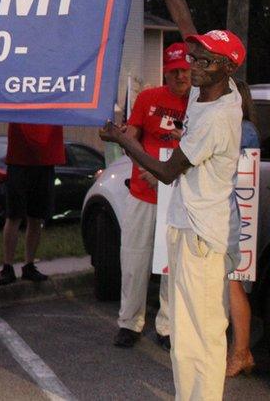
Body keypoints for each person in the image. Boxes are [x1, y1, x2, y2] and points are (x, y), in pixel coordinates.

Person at [99, 28, 245, 400]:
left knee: (203, 332)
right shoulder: (207, 89)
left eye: (202, 61)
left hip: (201, 237)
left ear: (226, 68)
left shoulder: (216, 116)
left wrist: (124, 140)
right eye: (193, 58)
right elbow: (183, 21)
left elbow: (167, 172)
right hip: (188, 226)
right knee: (185, 332)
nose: (192, 67)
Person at [113, 43, 190, 350]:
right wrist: (147, 166)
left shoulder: (198, 103)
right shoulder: (148, 98)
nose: (180, 76)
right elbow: (130, 136)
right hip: (144, 192)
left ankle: (167, 326)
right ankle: (129, 322)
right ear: (165, 72)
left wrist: (165, 174)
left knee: (172, 265)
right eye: (174, 72)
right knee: (134, 258)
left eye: (185, 69)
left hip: (179, 199)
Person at [0, 123, 65, 285]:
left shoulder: (54, 99)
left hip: (45, 160)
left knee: (36, 217)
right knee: (13, 216)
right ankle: (7, 266)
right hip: (19, 159)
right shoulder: (20, 99)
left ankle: (29, 265)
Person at [226, 78, 260, 377]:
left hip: (233, 217)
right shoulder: (240, 127)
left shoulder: (243, 129)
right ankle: (239, 351)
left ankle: (241, 352)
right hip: (231, 215)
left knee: (234, 283)